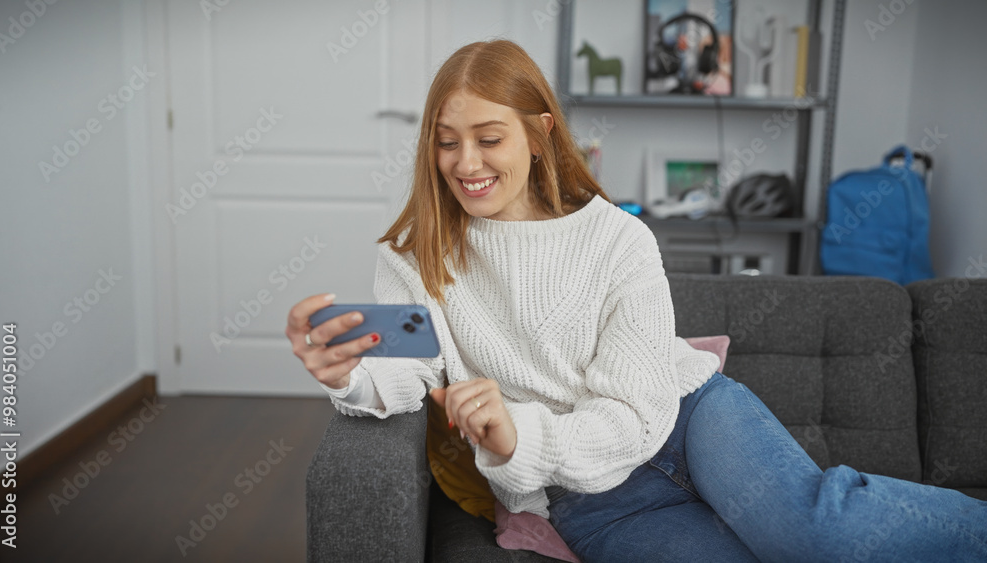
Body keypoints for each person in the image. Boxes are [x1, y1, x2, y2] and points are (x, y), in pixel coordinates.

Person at [286, 39, 987, 562]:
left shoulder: (617, 238)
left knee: (821, 529)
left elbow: (634, 413)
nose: (465, 164)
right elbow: (407, 372)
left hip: (689, 420)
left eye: (488, 138)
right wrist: (348, 370)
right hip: (589, 501)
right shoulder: (418, 252)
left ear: (539, 135)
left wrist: (522, 436)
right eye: (446, 143)